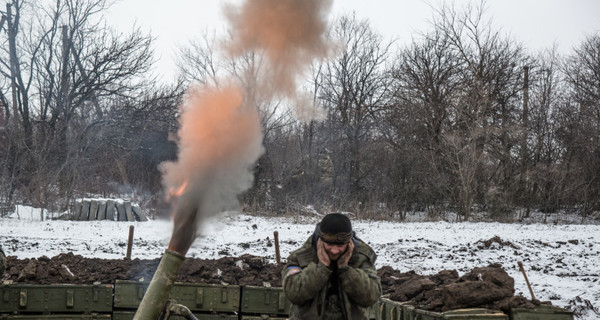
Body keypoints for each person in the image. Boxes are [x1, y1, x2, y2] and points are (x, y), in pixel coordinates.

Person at [281, 213, 381, 320]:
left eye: (340, 245)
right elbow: (293, 293)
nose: (334, 251)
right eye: (329, 244)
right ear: (320, 240)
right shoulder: (300, 257)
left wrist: (345, 270)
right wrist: (321, 268)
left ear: (349, 243)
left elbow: (372, 296)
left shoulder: (360, 258)